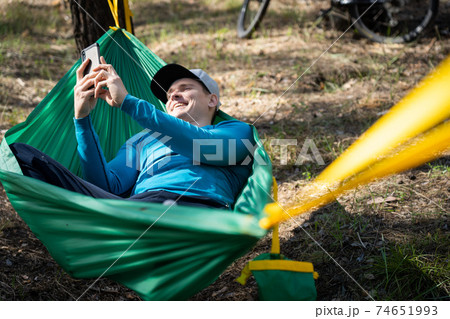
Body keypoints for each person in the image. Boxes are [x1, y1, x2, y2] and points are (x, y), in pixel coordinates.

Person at [10, 57, 255, 209]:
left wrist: (128, 102)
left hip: (197, 208)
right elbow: (107, 186)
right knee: (23, 155)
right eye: (169, 94)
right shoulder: (141, 142)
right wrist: (81, 119)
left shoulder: (237, 131)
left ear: (212, 100)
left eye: (185, 88)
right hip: (135, 210)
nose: (174, 95)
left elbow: (203, 146)